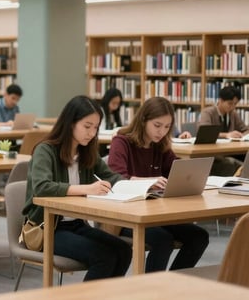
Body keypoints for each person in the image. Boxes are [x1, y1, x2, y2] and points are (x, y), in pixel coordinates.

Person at [23, 95, 131, 281]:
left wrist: (139, 186)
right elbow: (41, 187)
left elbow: (111, 176)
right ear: (70, 123)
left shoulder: (86, 151)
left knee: (124, 250)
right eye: (87, 126)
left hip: (76, 225)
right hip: (48, 228)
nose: (91, 133)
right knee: (104, 257)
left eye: (96, 127)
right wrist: (87, 189)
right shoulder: (45, 150)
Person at [108, 97, 209, 272]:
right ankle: (153, 289)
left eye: (167, 127)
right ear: (143, 120)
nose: (162, 131)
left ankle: (174, 282)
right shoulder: (121, 141)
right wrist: (148, 182)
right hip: (127, 216)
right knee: (163, 240)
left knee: (199, 236)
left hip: (156, 214)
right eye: (157, 125)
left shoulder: (160, 144)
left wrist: (192, 175)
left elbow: (177, 168)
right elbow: (115, 178)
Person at [199, 85, 245, 175]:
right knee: (231, 164)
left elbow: (245, 129)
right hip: (214, 154)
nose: (232, 107)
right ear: (220, 100)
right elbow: (204, 132)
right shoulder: (207, 112)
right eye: (230, 103)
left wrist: (242, 135)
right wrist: (226, 135)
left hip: (230, 151)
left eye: (235, 104)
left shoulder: (233, 114)